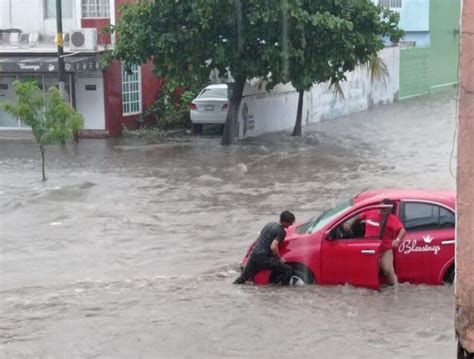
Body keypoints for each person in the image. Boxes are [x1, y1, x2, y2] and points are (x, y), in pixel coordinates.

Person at [233, 211, 296, 285]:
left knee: (242, 278)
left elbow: (257, 240)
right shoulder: (281, 232)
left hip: (254, 255)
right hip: (264, 258)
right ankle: (281, 290)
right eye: (290, 222)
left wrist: (249, 252)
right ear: (285, 222)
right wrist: (279, 258)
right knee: (288, 270)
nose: (291, 224)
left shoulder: (269, 224)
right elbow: (273, 247)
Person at [378, 199, 406, 286]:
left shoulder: (392, 219)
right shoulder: (369, 212)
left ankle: (395, 291)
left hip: (385, 249)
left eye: (384, 209)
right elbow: (358, 218)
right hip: (369, 248)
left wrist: (397, 240)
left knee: (388, 270)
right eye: (380, 207)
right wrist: (350, 226)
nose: (381, 211)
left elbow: (402, 230)